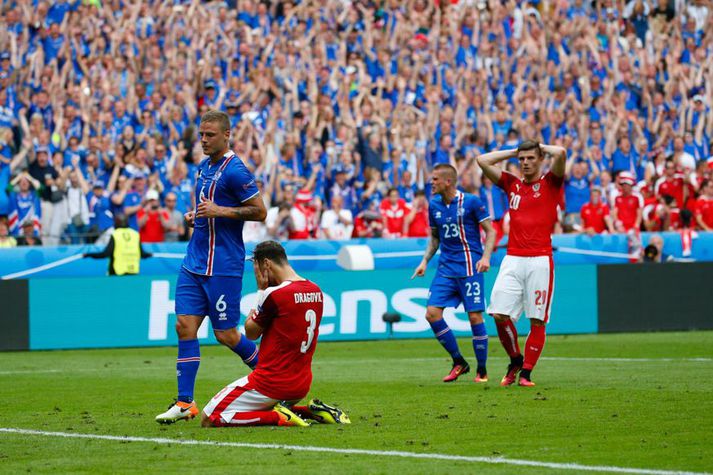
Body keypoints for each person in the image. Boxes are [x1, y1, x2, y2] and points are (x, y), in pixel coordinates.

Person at [156, 110, 267, 424]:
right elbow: (207, 209)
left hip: (223, 266)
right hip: (194, 262)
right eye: (201, 135)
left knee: (227, 334)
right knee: (184, 327)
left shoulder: (237, 171)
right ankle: (185, 402)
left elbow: (260, 212)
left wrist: (220, 210)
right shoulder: (203, 168)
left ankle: (269, 378)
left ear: (226, 135)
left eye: (210, 135)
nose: (203, 140)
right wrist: (197, 216)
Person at [202, 240, 350, 427]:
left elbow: (250, 333)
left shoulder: (274, 294)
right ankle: (310, 411)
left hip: (270, 383)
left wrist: (260, 291)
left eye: (256, 269)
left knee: (210, 417)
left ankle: (279, 417)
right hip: (300, 385)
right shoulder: (316, 290)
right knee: (257, 407)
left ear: (266, 264)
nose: (257, 274)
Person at [476, 140, 567, 387]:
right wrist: (514, 151)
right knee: (498, 313)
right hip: (513, 258)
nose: (525, 162)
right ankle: (515, 359)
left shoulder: (551, 182)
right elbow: (482, 160)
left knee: (537, 319)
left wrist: (539, 147)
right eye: (522, 159)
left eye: (530, 158)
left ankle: (526, 373)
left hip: (540, 259)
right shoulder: (511, 184)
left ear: (539, 159)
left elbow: (560, 152)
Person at [411, 164, 496, 383]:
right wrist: (424, 262)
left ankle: (482, 370)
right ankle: (459, 361)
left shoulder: (471, 202)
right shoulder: (434, 205)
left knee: (475, 316)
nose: (432, 182)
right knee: (431, 314)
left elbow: (491, 231)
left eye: (436, 179)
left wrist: (486, 257)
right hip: (446, 268)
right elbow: (435, 238)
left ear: (448, 181)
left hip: (470, 267)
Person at [83, 214, 153, 275]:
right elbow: (142, 254)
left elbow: (105, 254)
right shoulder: (135, 234)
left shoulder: (116, 234)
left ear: (116, 223)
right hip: (133, 271)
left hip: (117, 272)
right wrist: (149, 254)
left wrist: (89, 255)